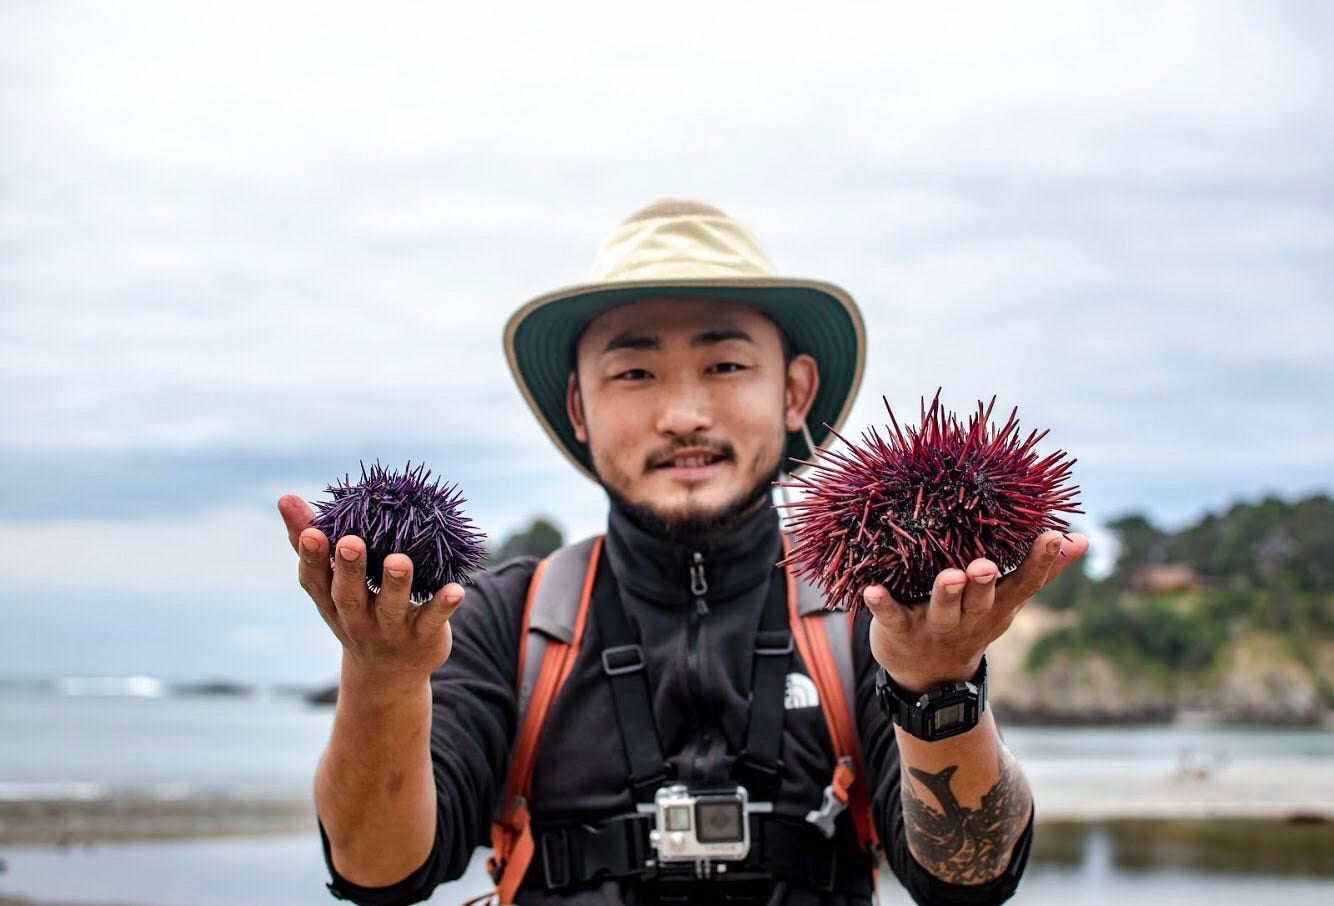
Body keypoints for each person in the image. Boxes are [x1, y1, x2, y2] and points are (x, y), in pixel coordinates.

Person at [278, 198, 1090, 905]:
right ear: (579, 407)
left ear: (795, 391)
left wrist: (934, 686)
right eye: (635, 372)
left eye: (726, 364)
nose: (684, 414)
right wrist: (381, 676)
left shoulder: (868, 615)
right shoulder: (501, 620)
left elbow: (971, 880)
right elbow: (378, 873)